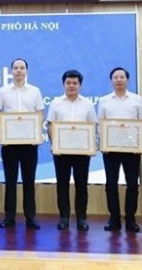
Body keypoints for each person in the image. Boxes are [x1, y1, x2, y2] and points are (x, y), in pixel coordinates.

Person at [0, 58, 44, 230]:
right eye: (15, 68)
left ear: (26, 71)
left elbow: (39, 114)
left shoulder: (35, 91)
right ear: (11, 71)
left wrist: (33, 131)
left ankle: (30, 217)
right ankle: (9, 217)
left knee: (29, 181)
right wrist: (5, 131)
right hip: (9, 144)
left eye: (22, 68)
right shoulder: (3, 91)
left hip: (29, 143)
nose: (18, 71)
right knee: (10, 181)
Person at [46, 70, 97, 231]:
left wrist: (90, 146)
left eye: (75, 83)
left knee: (82, 185)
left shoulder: (88, 104)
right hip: (61, 152)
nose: (71, 86)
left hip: (82, 152)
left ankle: (81, 218)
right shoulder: (55, 103)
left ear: (80, 85)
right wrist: (55, 144)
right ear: (64, 84)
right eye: (68, 83)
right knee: (62, 185)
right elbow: (50, 126)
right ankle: (64, 217)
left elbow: (92, 126)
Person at [98, 67, 142, 233]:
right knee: (111, 184)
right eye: (115, 77)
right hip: (110, 149)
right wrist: (103, 144)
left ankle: (131, 219)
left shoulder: (137, 99)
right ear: (111, 80)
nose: (118, 80)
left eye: (122, 77)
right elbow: (100, 125)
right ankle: (114, 218)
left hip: (132, 149)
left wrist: (140, 145)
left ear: (127, 80)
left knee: (132, 184)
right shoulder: (104, 100)